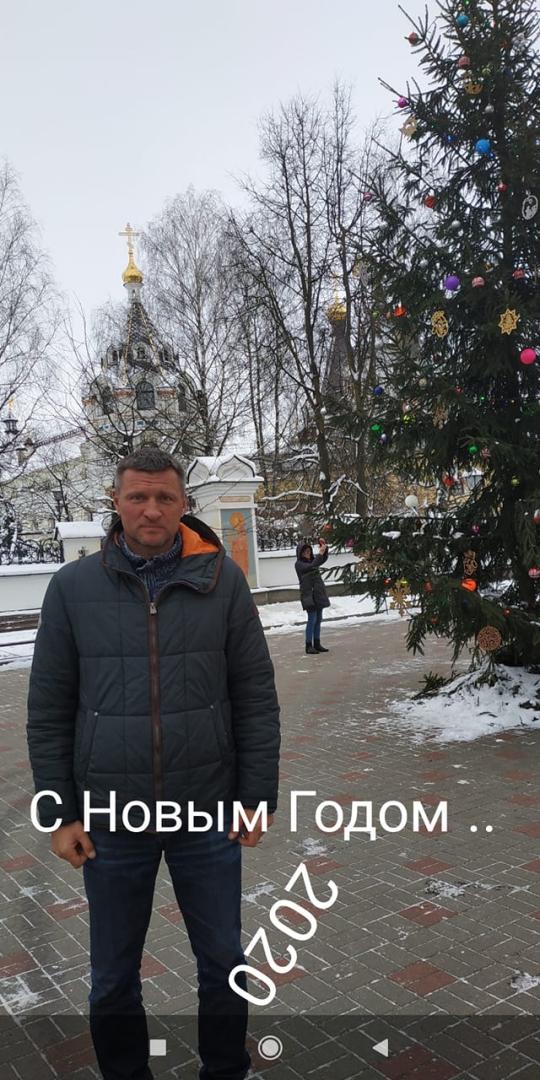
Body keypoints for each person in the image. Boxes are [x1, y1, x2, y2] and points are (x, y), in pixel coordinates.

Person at [26, 446, 280, 1080]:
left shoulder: (222, 582)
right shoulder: (72, 589)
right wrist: (59, 813)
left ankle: (226, 1069)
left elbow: (255, 697)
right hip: (111, 819)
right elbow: (49, 709)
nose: (151, 509)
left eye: (165, 497)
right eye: (137, 496)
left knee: (223, 965)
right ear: (115, 501)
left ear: (184, 504)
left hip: (207, 812)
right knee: (113, 975)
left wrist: (256, 797)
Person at [295, 538, 330, 654]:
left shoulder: (313, 561)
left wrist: (324, 548)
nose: (308, 553)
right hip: (308, 596)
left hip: (318, 594)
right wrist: (320, 553)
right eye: (305, 551)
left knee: (318, 619)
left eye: (309, 551)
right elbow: (312, 565)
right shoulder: (299, 564)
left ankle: (317, 643)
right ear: (300, 553)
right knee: (312, 619)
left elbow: (322, 559)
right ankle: (308, 645)